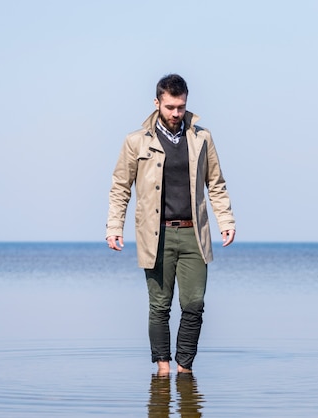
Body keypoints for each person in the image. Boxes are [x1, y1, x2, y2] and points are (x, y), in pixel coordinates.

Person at [106, 73, 236, 375]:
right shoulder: (136, 141)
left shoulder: (202, 138)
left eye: (181, 107)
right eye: (170, 107)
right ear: (157, 103)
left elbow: (215, 183)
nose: (176, 114)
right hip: (156, 235)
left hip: (194, 234)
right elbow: (120, 187)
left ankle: (184, 369)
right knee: (160, 306)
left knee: (194, 304)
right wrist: (114, 226)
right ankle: (163, 370)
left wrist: (225, 220)